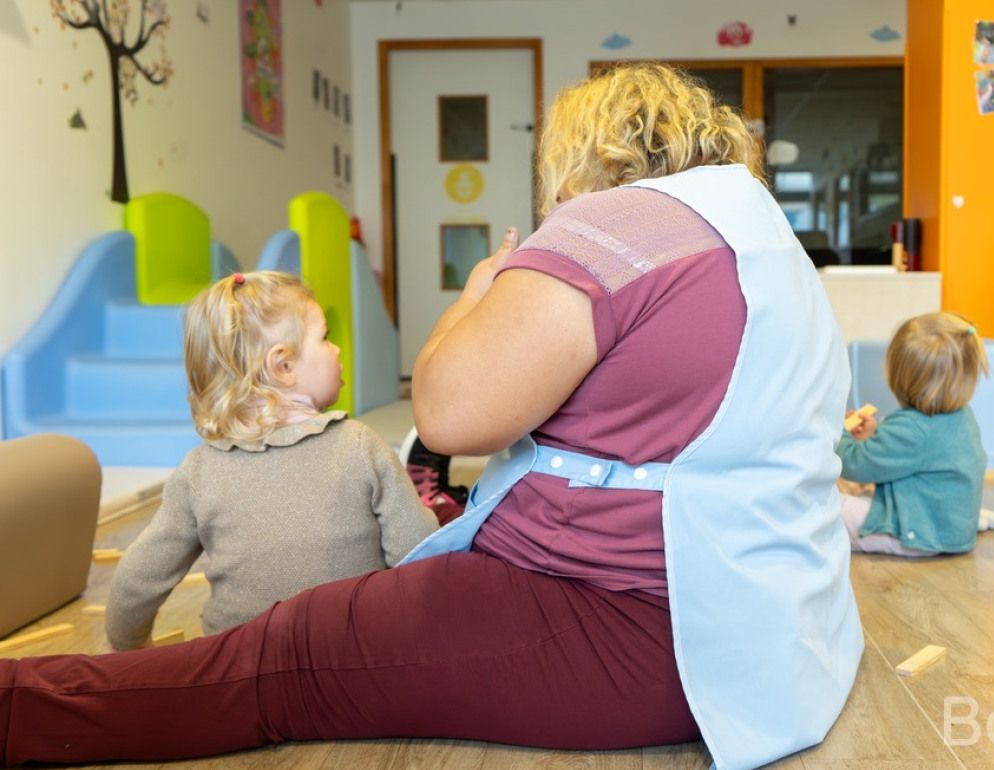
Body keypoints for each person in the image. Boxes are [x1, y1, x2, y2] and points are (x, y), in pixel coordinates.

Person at [0, 63, 861, 770]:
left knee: (288, 653)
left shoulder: (621, 222)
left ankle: (20, 710)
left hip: (625, 621)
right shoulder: (763, 243)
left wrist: (477, 296)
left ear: (589, 153)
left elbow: (447, 415)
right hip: (756, 631)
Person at [105, 271, 439, 650]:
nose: (337, 350)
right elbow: (419, 554)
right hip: (355, 665)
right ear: (283, 366)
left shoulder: (198, 471)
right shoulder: (359, 445)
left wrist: (132, 653)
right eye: (325, 337)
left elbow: (136, 580)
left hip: (240, 677)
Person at [837, 312, 994, 556]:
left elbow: (854, 464)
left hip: (916, 535)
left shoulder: (912, 429)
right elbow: (913, 452)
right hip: (952, 529)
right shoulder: (962, 416)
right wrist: (875, 433)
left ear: (898, 377)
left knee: (832, 509)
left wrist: (838, 434)